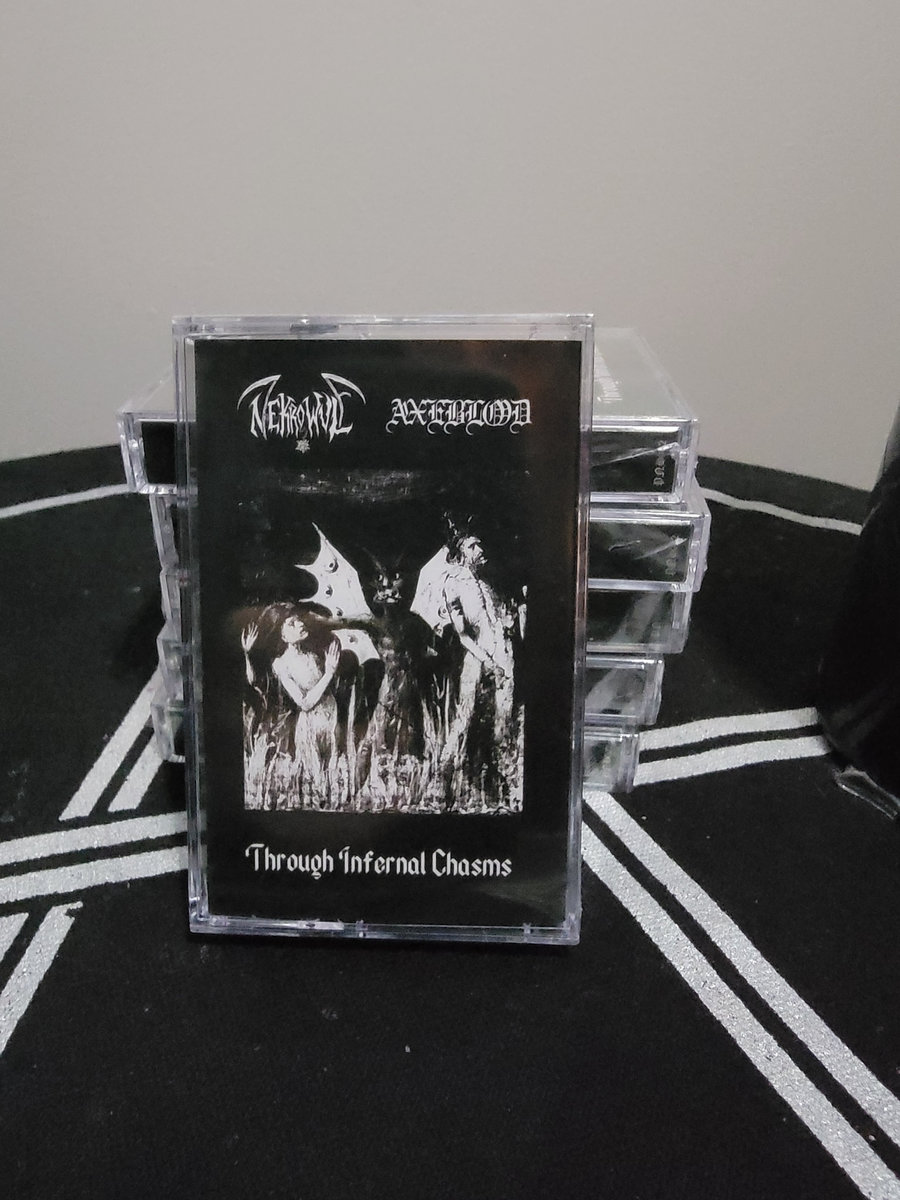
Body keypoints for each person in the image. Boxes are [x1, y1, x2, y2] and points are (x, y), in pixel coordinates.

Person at [439, 533, 519, 805]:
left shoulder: (486, 585)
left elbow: (498, 622)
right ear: (461, 552)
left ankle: (502, 786)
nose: (480, 549)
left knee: (502, 719)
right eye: (473, 546)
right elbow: (463, 634)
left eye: (479, 544)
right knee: (465, 715)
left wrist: (508, 625)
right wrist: (486, 659)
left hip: (503, 655)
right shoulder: (453, 584)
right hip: (477, 657)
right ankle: (444, 779)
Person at [241, 604, 340, 808]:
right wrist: (329, 674)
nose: (300, 624)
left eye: (299, 620)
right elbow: (304, 703)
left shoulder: (313, 655)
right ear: (283, 636)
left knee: (335, 779)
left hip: (331, 720)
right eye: (292, 623)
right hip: (311, 728)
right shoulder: (282, 664)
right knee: (320, 790)